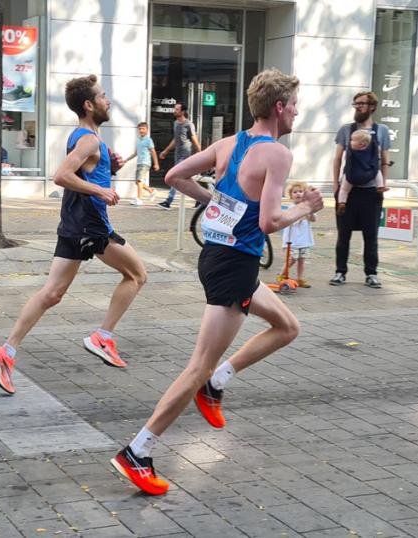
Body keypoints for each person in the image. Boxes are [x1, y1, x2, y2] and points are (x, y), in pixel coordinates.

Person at [110, 68, 324, 495]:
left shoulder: (229, 144)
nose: (298, 113)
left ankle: (218, 381)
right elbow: (269, 220)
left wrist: (216, 202)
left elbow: (173, 177)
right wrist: (306, 208)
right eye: (295, 106)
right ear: (279, 108)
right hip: (234, 267)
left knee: (287, 327)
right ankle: (138, 449)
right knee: (196, 367)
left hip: (219, 256)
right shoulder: (277, 154)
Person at [0, 75, 147, 394]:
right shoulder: (88, 140)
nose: (107, 100)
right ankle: (103, 337)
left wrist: (104, 172)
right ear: (89, 105)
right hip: (90, 225)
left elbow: (79, 171)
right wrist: (100, 190)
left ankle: (6, 352)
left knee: (52, 293)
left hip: (74, 223)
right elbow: (61, 176)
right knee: (137, 275)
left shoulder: (85, 137)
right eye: (102, 96)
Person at [330, 92, 390, 288]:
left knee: (371, 235)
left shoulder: (381, 130)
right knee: (343, 235)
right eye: (355, 103)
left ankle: (371, 273)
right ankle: (340, 272)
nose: (357, 107)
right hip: (349, 190)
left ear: (372, 106)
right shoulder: (346, 130)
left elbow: (384, 159)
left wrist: (383, 184)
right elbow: (338, 158)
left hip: (372, 192)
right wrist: (335, 184)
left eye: (361, 103)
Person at [156, 102, 202, 209]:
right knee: (189, 179)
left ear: (182, 111)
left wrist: (200, 153)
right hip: (178, 154)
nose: (174, 111)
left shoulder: (189, 124)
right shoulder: (176, 123)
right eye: (175, 109)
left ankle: (168, 201)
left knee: (175, 177)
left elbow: (194, 139)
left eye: (177, 109)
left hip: (185, 155)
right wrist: (166, 151)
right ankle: (200, 200)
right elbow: (175, 140)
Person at [279, 181, 316, 288]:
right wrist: (299, 216)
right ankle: (282, 274)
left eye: (301, 191)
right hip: (292, 240)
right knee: (291, 259)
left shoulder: (307, 207)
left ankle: (300, 278)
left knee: (302, 260)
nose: (298, 194)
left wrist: (311, 213)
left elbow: (313, 219)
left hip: (304, 240)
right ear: (291, 195)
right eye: (295, 192)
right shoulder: (291, 208)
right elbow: (291, 222)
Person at [125, 121, 158, 206]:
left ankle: (139, 199)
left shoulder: (148, 140)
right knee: (138, 182)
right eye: (139, 129)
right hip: (139, 163)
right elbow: (135, 153)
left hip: (145, 162)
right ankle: (151, 191)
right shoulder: (138, 140)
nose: (141, 130)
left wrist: (156, 163)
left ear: (147, 130)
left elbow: (153, 152)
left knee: (139, 180)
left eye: (143, 129)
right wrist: (126, 160)